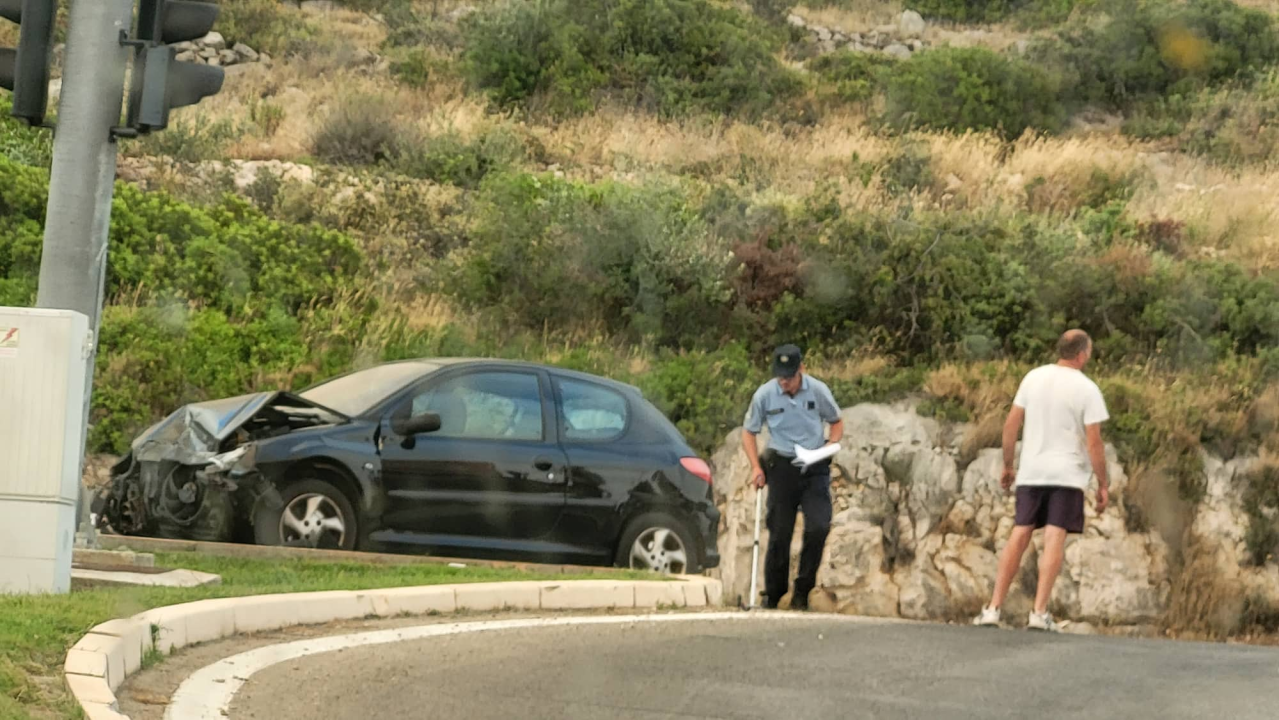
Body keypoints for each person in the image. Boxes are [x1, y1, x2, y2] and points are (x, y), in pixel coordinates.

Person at [973, 329, 1110, 632]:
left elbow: (1011, 424)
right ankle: (1039, 612)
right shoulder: (1087, 389)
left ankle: (993, 608)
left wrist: (1009, 465)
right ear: (1082, 354)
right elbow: (1094, 442)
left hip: (1032, 470)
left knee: (1020, 533)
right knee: (1054, 536)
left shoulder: (1033, 378)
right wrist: (1103, 483)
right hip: (1068, 474)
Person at [742, 344, 844, 610]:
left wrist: (830, 446)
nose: (784, 382)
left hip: (814, 465)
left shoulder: (818, 390)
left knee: (819, 526)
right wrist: (756, 467)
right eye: (780, 376)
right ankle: (773, 594)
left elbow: (836, 421)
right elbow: (748, 432)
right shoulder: (764, 395)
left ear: (801, 369)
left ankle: (803, 590)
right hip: (782, 464)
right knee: (780, 531)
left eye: (789, 376)